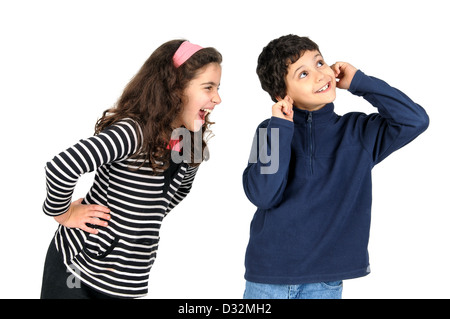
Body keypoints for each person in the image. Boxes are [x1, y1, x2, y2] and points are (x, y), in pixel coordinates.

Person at [242, 34, 429, 299]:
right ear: (281, 94)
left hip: (325, 281)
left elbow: (415, 120)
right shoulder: (269, 132)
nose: (320, 75)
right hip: (268, 278)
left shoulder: (359, 133)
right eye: (303, 74)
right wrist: (281, 128)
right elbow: (263, 194)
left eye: (320, 63)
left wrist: (361, 83)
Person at [40, 40, 222, 299]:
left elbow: (180, 190)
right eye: (208, 87)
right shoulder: (133, 132)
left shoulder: (191, 142)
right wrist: (64, 213)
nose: (217, 98)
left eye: (217, 88)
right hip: (78, 268)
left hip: (126, 279)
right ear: (176, 87)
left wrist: (138, 222)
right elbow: (62, 167)